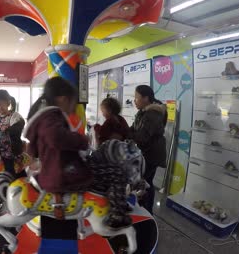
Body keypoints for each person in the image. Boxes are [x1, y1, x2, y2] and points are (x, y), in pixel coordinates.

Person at [25, 77, 132, 229]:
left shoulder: (42, 118)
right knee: (117, 172)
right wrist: (82, 140)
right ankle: (118, 214)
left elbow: (35, 148)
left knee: (101, 165)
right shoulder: (50, 118)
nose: (74, 109)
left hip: (59, 170)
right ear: (63, 99)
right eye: (73, 104)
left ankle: (116, 201)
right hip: (64, 173)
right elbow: (55, 137)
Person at [129, 85, 167, 214]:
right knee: (146, 182)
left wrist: (127, 136)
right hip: (147, 153)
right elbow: (134, 129)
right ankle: (145, 211)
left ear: (146, 98)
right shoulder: (144, 112)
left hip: (151, 154)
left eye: (136, 98)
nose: (135, 101)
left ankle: (145, 212)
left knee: (144, 184)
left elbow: (142, 137)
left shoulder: (153, 114)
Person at [0, 90, 26, 178]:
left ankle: (13, 179)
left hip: (10, 149)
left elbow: (19, 128)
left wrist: (9, 129)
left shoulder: (14, 117)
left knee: (9, 168)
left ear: (8, 103)